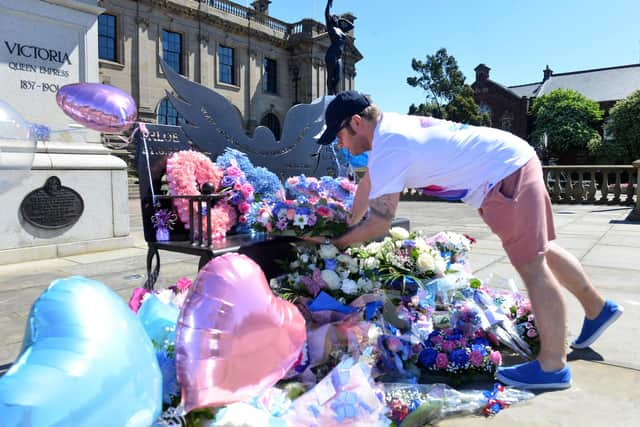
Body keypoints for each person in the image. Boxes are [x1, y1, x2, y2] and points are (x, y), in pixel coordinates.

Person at [311, 90, 623, 390]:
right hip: (509, 163)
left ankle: (553, 365)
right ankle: (598, 309)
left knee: (532, 266)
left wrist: (333, 244)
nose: (339, 144)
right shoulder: (389, 133)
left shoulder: (390, 145)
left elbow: (379, 223)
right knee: (540, 250)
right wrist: (346, 222)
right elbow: (369, 184)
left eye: (338, 135)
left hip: (503, 173)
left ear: (355, 122)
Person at [324, 0, 354, 95]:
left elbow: (351, 26)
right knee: (330, 75)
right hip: (332, 53)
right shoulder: (330, 27)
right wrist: (329, 3)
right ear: (332, 20)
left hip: (339, 56)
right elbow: (326, 13)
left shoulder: (340, 30)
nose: (336, 18)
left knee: (338, 77)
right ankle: (329, 93)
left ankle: (335, 94)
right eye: (334, 17)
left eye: (337, 17)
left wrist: (342, 20)